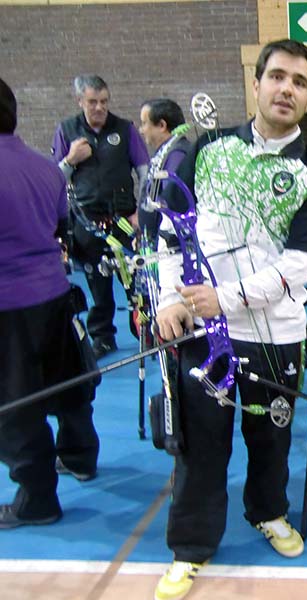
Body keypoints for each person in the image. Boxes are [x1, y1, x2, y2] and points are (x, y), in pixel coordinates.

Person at [153, 39, 307, 600]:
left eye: (299, 82)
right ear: (255, 84)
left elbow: (298, 268)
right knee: (201, 444)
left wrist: (223, 298)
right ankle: (191, 546)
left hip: (276, 337)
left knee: (270, 438)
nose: (286, 89)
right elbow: (173, 231)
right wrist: (169, 299)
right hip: (205, 334)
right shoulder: (206, 151)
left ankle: (268, 512)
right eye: (277, 76)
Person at [0, 77, 100, 528]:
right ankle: (80, 456)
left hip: (8, 309)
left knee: (14, 406)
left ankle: (37, 500)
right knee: (67, 383)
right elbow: (60, 228)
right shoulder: (45, 168)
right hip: (55, 297)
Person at [52, 74, 150, 358]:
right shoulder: (66, 131)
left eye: (104, 101)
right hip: (87, 223)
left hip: (124, 221)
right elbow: (54, 180)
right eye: (93, 102)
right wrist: (70, 160)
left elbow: (145, 172)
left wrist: (141, 213)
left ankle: (145, 333)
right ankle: (103, 338)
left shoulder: (125, 129)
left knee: (137, 282)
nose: (99, 107)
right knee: (98, 285)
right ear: (79, 101)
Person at [138, 98, 191, 248]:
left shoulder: (177, 155)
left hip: (172, 246)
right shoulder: (167, 153)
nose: (141, 130)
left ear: (162, 125)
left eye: (144, 123)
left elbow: (173, 203)